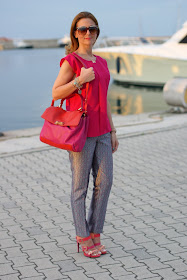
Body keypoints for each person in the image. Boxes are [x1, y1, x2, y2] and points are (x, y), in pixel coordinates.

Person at [52, 11, 119, 258]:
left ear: (97, 32)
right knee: (80, 187)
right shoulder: (71, 61)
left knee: (106, 183)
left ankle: (95, 232)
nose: (87, 33)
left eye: (92, 29)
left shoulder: (101, 62)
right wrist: (79, 81)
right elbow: (57, 92)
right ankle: (82, 235)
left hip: (102, 132)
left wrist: (112, 130)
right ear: (75, 33)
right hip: (80, 133)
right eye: (82, 30)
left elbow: (105, 99)